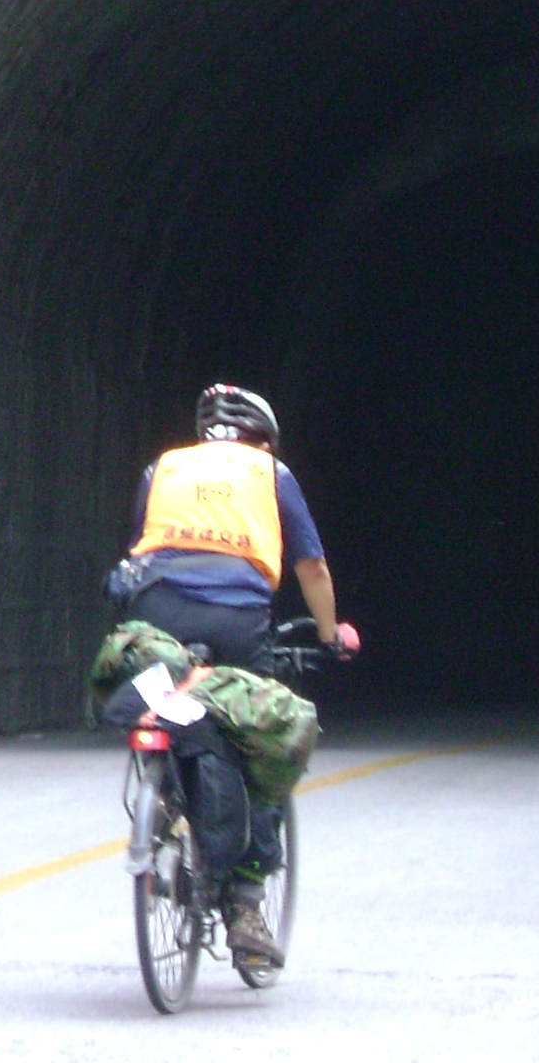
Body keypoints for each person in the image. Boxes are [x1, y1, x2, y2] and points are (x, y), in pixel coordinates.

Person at [119, 384, 353, 971]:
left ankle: (166, 803)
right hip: (236, 617)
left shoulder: (163, 468)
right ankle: (247, 905)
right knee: (262, 742)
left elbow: (140, 548)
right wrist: (330, 636)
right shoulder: (270, 473)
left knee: (166, 699)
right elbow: (312, 566)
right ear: (265, 439)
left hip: (155, 608)